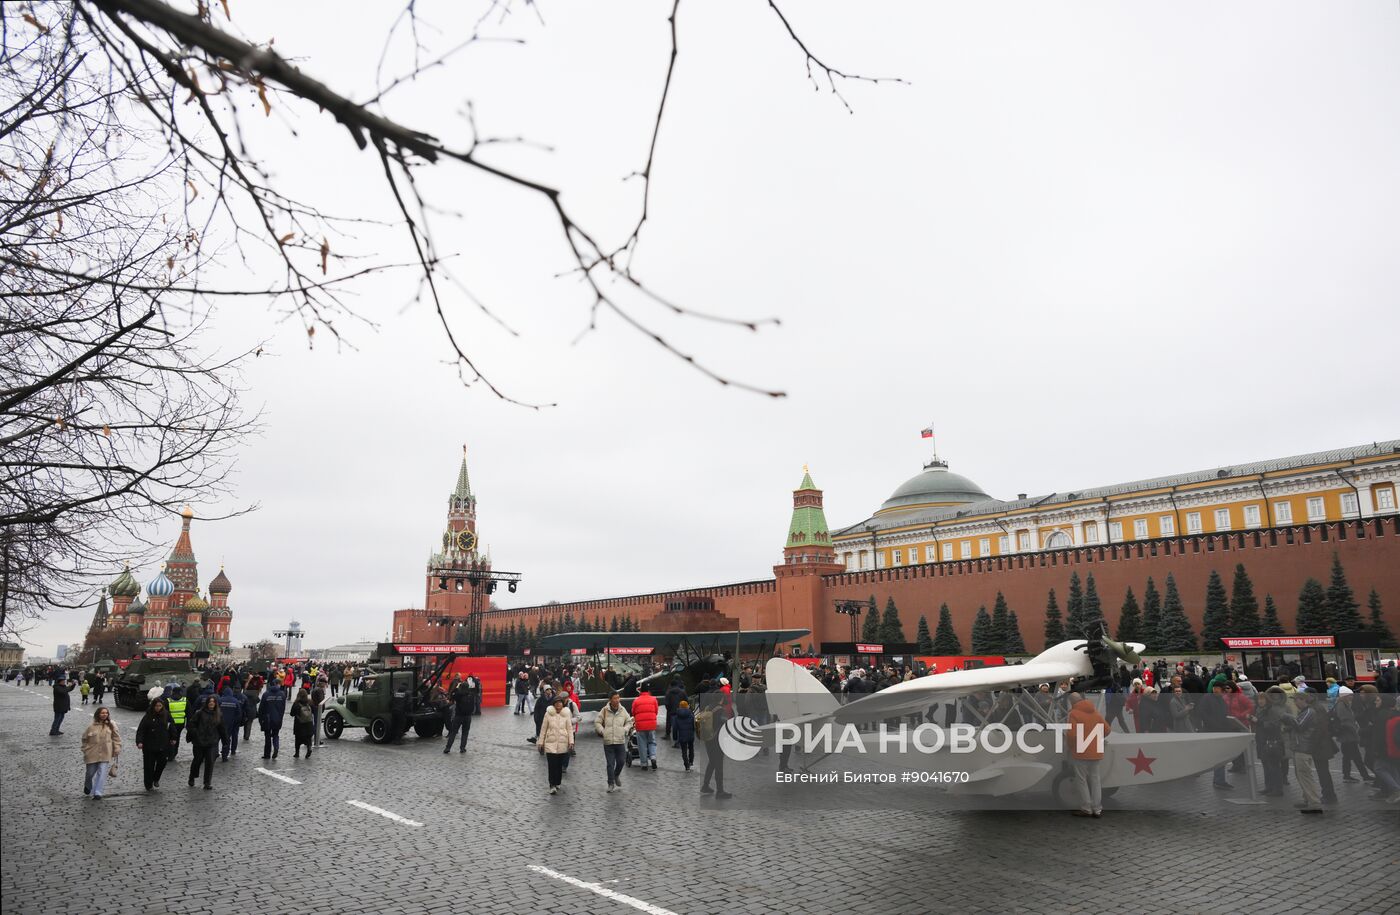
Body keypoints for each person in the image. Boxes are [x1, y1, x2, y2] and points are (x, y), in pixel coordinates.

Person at [1067, 693, 1110, 818]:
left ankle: (1086, 808)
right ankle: (1097, 809)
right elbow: (1107, 730)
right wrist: (1096, 738)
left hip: (1081, 751)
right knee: (1095, 780)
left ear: (1072, 702)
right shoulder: (1095, 712)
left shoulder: (1073, 714)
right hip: (1096, 751)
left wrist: (1070, 747)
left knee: (1082, 780)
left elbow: (1072, 735)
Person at [1284, 691, 1325, 813]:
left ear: (1303, 700)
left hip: (1304, 747)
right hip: (1300, 746)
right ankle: (1307, 799)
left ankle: (1314, 802)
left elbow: (1300, 726)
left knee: (1305, 775)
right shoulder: (1304, 712)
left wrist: (1288, 717)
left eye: (1296, 700)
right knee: (1301, 775)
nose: (1295, 703)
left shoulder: (1308, 712)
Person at [81, 706, 122, 799]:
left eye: (106, 713)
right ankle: (87, 784)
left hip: (106, 753)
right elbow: (84, 739)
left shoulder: (111, 724)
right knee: (90, 773)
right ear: (98, 714)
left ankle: (98, 792)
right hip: (92, 753)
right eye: (102, 713)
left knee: (102, 772)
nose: (104, 714)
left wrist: (117, 748)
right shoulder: (91, 726)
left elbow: (116, 738)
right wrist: (85, 749)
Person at [595, 690, 633, 792]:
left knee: (621, 761)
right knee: (610, 764)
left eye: (618, 698)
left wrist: (625, 730)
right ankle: (610, 783)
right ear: (610, 700)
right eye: (615, 698)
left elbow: (629, 722)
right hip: (608, 741)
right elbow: (597, 722)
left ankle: (616, 775)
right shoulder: (604, 710)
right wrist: (602, 731)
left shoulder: (622, 710)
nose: (617, 700)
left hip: (620, 740)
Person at [186, 695, 225, 790]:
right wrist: (196, 733)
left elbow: (222, 729)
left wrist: (225, 741)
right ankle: (192, 776)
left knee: (210, 762)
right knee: (197, 760)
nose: (211, 703)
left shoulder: (219, 715)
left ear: (215, 704)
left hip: (212, 742)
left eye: (213, 702)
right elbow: (191, 725)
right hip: (199, 742)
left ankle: (207, 782)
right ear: (207, 703)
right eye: (210, 701)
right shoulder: (199, 713)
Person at [538, 695, 574, 795]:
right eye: (556, 703)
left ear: (563, 704)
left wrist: (571, 742)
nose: (558, 704)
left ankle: (557, 782)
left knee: (559, 765)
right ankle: (552, 784)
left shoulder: (566, 714)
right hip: (550, 743)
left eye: (560, 703)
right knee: (552, 765)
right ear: (553, 704)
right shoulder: (548, 714)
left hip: (562, 743)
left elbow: (569, 728)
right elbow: (543, 728)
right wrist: (541, 742)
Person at [698, 693, 732, 799]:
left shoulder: (708, 707)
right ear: (721, 698)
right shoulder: (720, 710)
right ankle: (720, 791)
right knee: (719, 766)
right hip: (717, 740)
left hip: (708, 738)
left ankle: (705, 786)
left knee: (712, 762)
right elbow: (725, 725)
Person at [136, 698, 175, 790]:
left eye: (160, 706)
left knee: (162, 763)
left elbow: (172, 727)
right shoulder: (148, 716)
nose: (158, 708)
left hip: (163, 744)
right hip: (149, 745)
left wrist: (173, 737)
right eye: (156, 706)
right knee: (149, 766)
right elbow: (141, 730)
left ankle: (156, 778)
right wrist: (139, 741)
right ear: (153, 706)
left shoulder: (166, 715)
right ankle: (148, 784)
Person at [631, 684, 659, 771]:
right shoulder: (654, 699)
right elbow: (656, 711)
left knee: (642, 744)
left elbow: (633, 712)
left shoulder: (636, 701)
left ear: (640, 691)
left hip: (640, 726)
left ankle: (644, 764)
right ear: (648, 691)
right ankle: (653, 757)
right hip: (651, 724)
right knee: (652, 742)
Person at [444, 675, 474, 754]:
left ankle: (448, 748)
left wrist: (457, 687)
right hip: (468, 716)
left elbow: (451, 696)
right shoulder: (471, 694)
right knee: (465, 732)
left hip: (459, 716)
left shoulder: (458, 694)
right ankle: (462, 748)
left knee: (453, 732)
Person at [258, 679, 287, 759]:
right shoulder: (282, 694)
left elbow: (261, 708)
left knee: (267, 736)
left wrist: (260, 719)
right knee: (275, 734)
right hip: (277, 718)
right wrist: (280, 717)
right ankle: (276, 747)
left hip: (267, 719)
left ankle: (267, 754)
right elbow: (283, 708)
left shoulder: (266, 694)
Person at [217, 685, 244, 761]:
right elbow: (239, 713)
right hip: (231, 723)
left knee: (217, 738)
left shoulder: (220, 700)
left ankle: (215, 752)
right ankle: (225, 756)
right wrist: (235, 722)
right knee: (227, 739)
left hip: (220, 723)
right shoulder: (235, 701)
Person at [672, 698, 696, 771]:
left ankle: (687, 766)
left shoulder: (676, 717)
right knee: (691, 748)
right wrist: (693, 732)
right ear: (687, 706)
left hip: (682, 736)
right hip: (690, 735)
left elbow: (675, 728)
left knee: (684, 751)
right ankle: (691, 761)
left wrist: (675, 737)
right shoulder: (691, 715)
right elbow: (694, 725)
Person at [291, 689, 315, 758]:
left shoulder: (296, 703)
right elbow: (313, 711)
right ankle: (309, 748)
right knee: (308, 738)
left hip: (299, 724)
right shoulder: (310, 702)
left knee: (298, 739)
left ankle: (297, 753)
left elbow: (292, 713)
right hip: (309, 724)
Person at [664, 678, 687, 742]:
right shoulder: (682, 692)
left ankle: (676, 740)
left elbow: (666, 703)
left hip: (672, 712)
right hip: (681, 711)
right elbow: (686, 701)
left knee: (674, 727)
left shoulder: (668, 693)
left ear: (671, 685)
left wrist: (669, 710)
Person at [311, 678, 327, 747]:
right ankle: (316, 740)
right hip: (318, 708)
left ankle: (314, 739)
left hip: (314, 707)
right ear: (321, 683)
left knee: (315, 724)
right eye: (324, 683)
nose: (325, 685)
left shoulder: (315, 689)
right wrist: (323, 708)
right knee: (317, 725)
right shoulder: (320, 690)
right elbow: (321, 701)